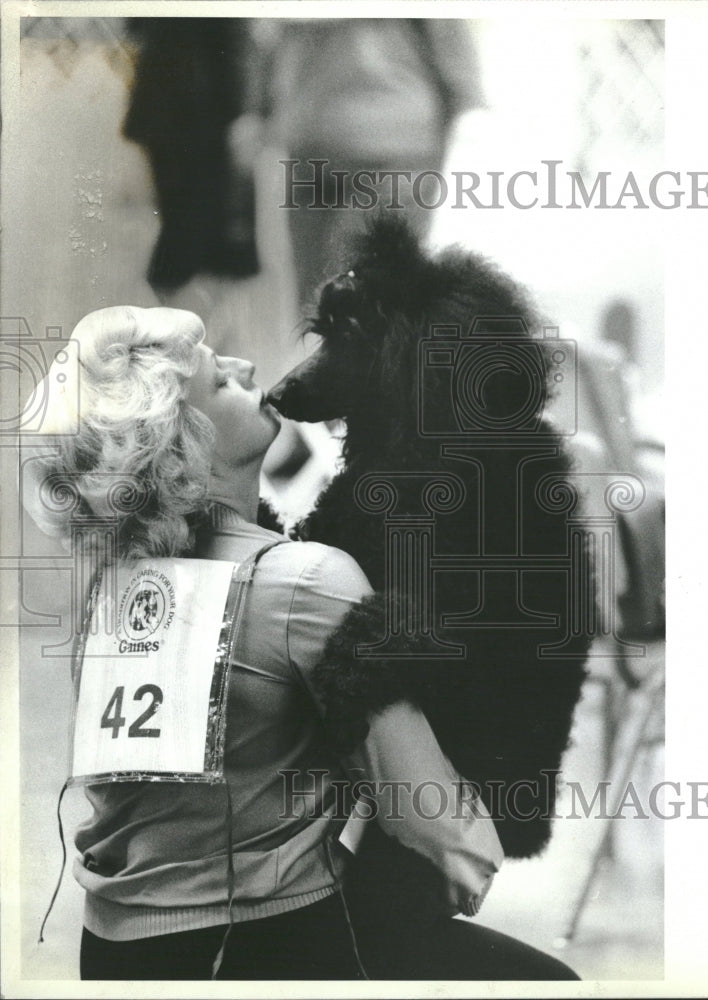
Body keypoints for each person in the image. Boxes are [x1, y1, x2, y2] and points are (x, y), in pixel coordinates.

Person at [22, 305, 578, 981]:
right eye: (220, 382)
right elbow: (429, 817)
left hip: (113, 954)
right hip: (269, 948)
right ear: (183, 444)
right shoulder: (306, 580)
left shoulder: (112, 587)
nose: (247, 367)